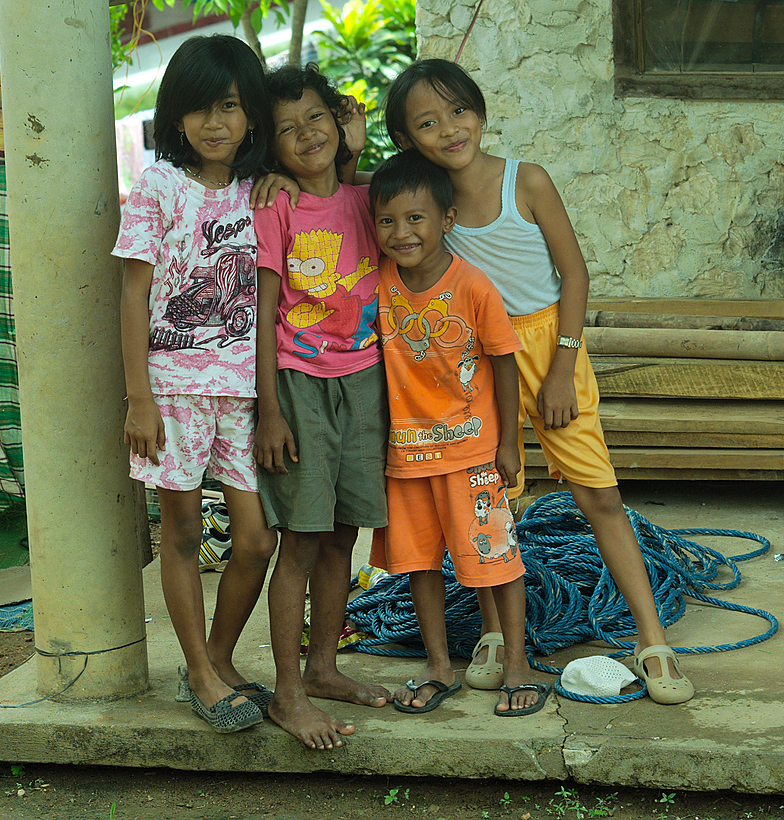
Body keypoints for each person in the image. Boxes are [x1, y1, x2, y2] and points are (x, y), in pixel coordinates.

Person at [382, 59, 694, 705]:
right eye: (428, 123)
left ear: (480, 111)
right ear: (407, 139)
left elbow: (574, 274)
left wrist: (562, 368)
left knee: (598, 495)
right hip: (474, 364)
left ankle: (651, 639)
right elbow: (356, 187)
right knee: (489, 502)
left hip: (549, 347)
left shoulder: (525, 181)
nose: (450, 129)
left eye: (459, 111)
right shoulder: (423, 203)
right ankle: (495, 632)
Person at [112, 34, 283, 734]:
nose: (215, 122)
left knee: (256, 540)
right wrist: (139, 400)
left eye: (231, 106)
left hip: (239, 391)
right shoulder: (158, 186)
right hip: (172, 389)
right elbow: (133, 294)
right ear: (175, 117)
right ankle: (203, 673)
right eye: (200, 108)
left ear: (251, 116)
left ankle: (213, 660)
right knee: (181, 534)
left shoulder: (261, 188)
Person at [369, 150, 552, 717]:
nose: (402, 232)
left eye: (416, 218)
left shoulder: (473, 285)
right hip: (405, 458)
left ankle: (517, 663)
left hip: (472, 453)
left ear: (447, 219)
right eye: (387, 220)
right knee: (418, 565)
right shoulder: (377, 284)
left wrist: (509, 443)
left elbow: (503, 362)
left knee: (497, 560)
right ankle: (438, 666)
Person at [253, 64, 392, 750]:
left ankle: (324, 668)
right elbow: (262, 311)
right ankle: (287, 691)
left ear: (338, 121)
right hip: (298, 386)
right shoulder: (275, 206)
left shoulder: (370, 198)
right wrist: (269, 410)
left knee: (342, 535)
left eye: (316, 117)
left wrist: (356, 154)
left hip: (365, 382)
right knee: (302, 539)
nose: (306, 133)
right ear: (270, 146)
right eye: (287, 128)